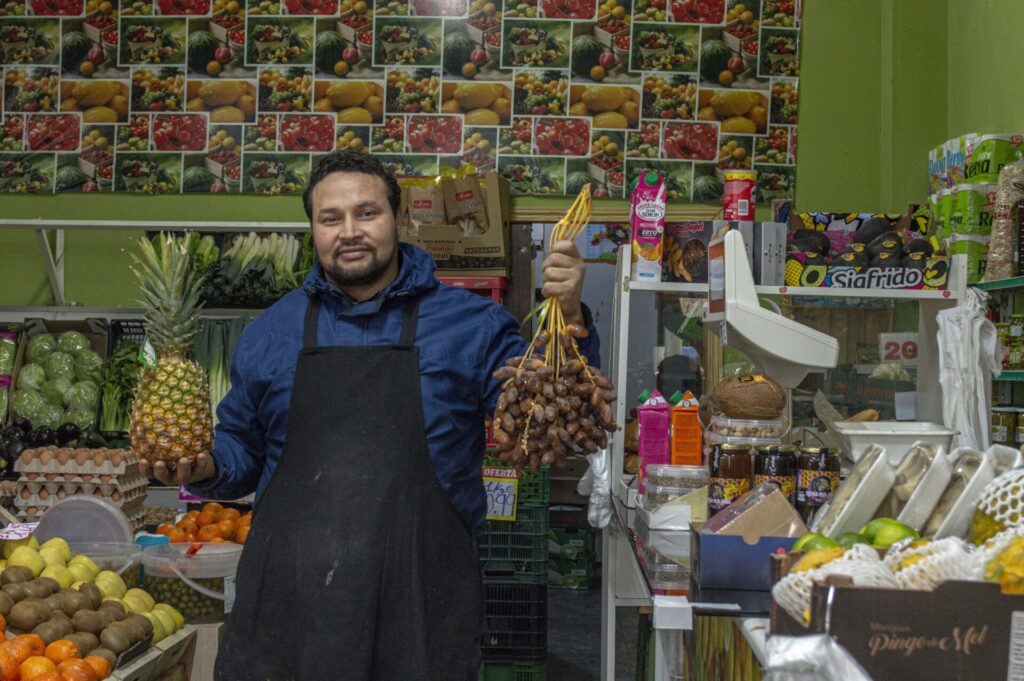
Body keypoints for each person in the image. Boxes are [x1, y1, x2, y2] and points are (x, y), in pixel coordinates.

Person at [141, 151, 600, 680]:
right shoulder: (271, 333)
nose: (349, 231)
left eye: (367, 213)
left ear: (399, 219)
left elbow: (555, 420)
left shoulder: (472, 326)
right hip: (290, 610)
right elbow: (243, 451)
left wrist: (567, 317)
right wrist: (202, 467)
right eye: (330, 218)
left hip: (421, 607)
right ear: (312, 228)